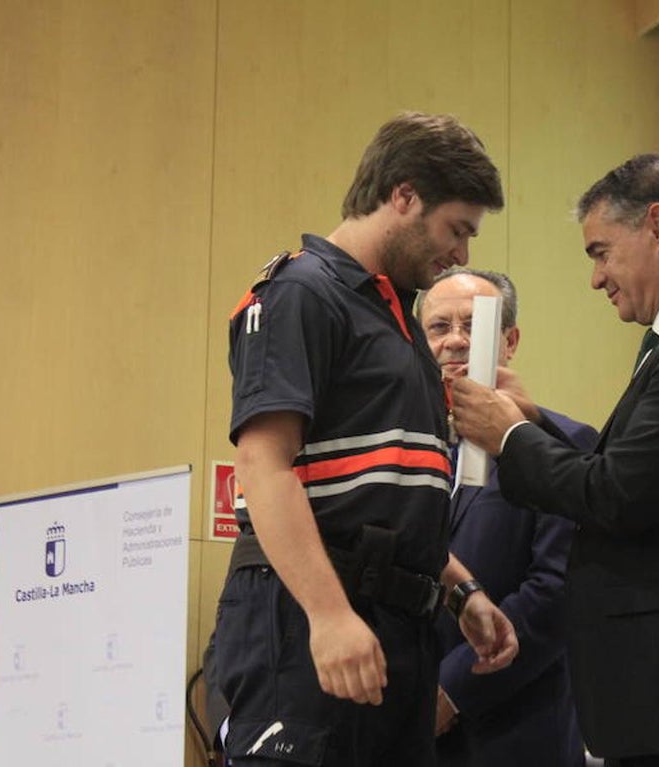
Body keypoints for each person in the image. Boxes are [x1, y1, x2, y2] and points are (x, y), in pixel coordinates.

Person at [451, 155, 659, 767]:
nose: (596, 278)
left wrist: (510, 439)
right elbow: (636, 475)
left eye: (601, 252)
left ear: (658, 227)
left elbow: (619, 495)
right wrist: (532, 426)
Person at [212, 111, 519, 767]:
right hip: (307, 626)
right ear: (404, 196)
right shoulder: (300, 292)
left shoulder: (399, 320)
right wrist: (327, 614)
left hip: (399, 631)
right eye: (456, 229)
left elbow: (380, 499)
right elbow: (263, 467)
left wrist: (463, 592)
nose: (462, 254)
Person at [416, 267, 598, 767]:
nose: (455, 341)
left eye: (473, 326)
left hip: (516, 733)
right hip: (400, 731)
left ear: (509, 340)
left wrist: (451, 692)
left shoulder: (562, 445)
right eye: (439, 327)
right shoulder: (404, 451)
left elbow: (555, 591)